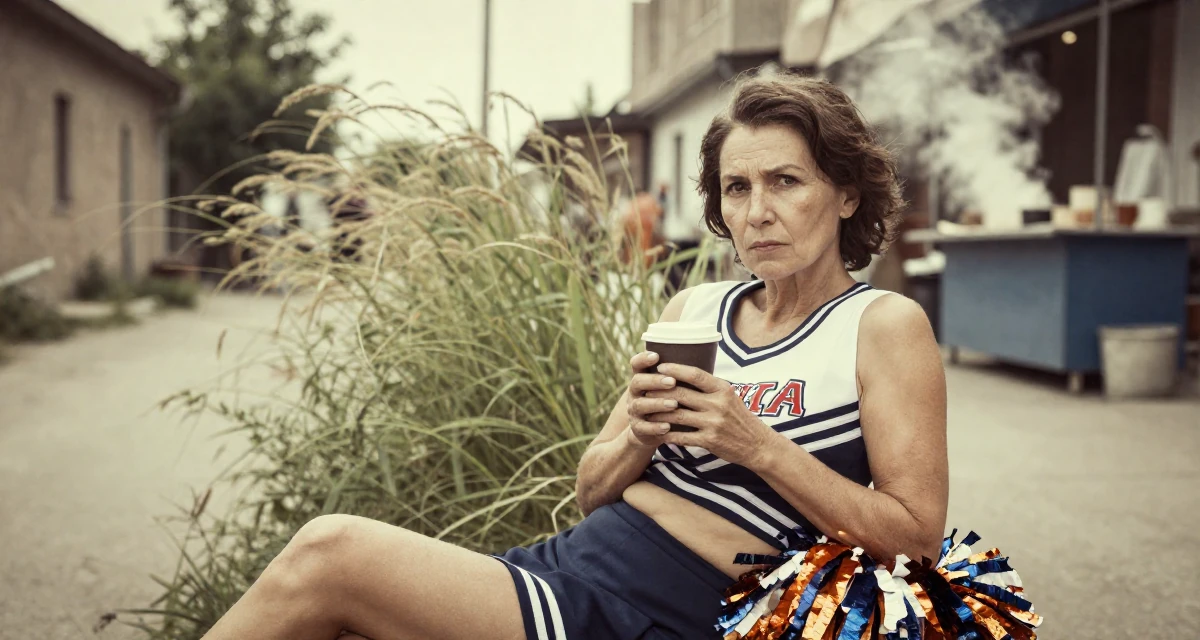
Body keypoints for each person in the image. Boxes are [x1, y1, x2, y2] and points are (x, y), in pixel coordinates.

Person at [197, 71, 948, 640]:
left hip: (672, 609)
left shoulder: (881, 325)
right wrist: (642, 435)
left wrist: (753, 444)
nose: (757, 212)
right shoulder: (695, 311)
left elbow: (913, 537)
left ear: (846, 194)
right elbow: (592, 487)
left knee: (330, 553)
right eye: (736, 187)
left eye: (786, 181)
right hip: (575, 568)